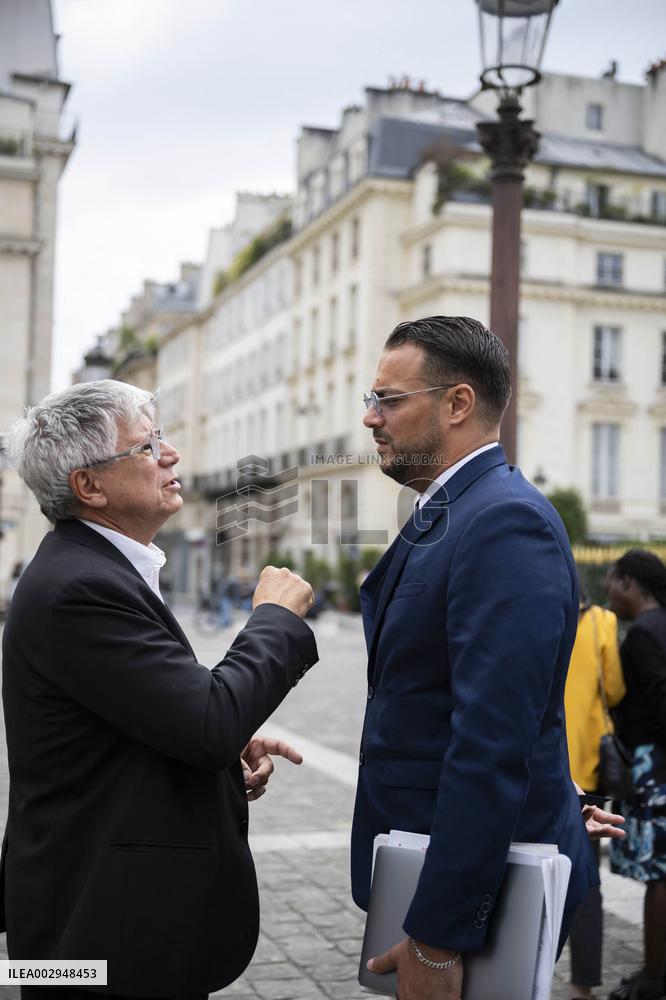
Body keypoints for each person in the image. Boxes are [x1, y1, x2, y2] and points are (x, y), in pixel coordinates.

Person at [0, 380, 317, 1000]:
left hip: (102, 919)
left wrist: (221, 763)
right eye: (146, 447)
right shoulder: (81, 586)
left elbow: (135, 722)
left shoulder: (94, 568)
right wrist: (275, 620)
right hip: (93, 938)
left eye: (161, 439)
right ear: (89, 486)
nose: (170, 454)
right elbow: (208, 723)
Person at [352, 316, 623, 1000]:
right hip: (428, 857)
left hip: (465, 899)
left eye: (389, 400)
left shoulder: (503, 521)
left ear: (458, 403)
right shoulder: (453, 510)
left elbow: (492, 739)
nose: (370, 418)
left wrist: (437, 938)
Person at [605, 549, 666, 1000]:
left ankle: (654, 978)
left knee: (659, 874)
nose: (608, 592)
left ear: (627, 582)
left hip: (654, 766)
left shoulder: (643, 632)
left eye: (611, 581)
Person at [564, 586, 626, 1000]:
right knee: (586, 880)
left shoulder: (530, 614)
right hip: (587, 768)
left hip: (540, 766)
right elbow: (615, 689)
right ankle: (582, 986)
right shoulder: (602, 621)